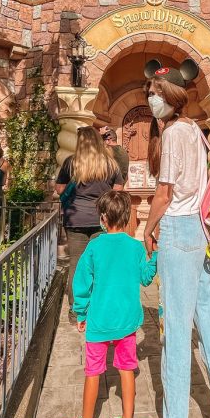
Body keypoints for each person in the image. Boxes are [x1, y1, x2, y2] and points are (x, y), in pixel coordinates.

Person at [141, 59, 210, 418]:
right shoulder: (198, 134)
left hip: (181, 229)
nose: (151, 99)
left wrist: (148, 228)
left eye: (155, 93)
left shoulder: (172, 136)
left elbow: (165, 193)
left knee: (177, 331)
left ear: (170, 98)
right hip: (206, 233)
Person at [66, 191, 157, 418]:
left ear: (103, 218)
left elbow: (81, 284)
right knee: (127, 369)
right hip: (127, 322)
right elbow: (146, 278)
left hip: (99, 321)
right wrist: (156, 257)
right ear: (127, 217)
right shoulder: (135, 247)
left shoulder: (94, 246)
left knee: (93, 371)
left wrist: (81, 313)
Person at [55, 127, 124, 310]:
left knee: (76, 264)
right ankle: (98, 306)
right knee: (101, 262)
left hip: (75, 218)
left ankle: (76, 308)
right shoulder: (109, 163)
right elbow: (118, 189)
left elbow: (60, 189)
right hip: (101, 219)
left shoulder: (71, 163)